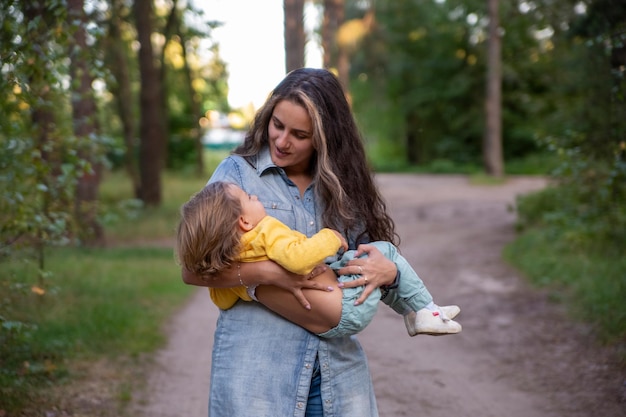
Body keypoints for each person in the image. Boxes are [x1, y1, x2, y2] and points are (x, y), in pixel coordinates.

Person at [181, 67, 452, 417]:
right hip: (258, 376)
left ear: (325, 137)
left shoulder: (343, 183)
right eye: (277, 125)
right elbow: (193, 270)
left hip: (336, 375)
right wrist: (268, 272)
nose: (281, 141)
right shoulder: (236, 176)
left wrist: (389, 273)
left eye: (299, 134)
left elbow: (359, 266)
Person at [175, 181, 462, 337]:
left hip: (331, 319)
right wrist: (329, 237)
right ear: (244, 222)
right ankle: (425, 309)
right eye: (250, 198)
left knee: (357, 261)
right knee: (383, 250)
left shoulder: (234, 259)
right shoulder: (264, 232)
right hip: (350, 308)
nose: (255, 196)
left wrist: (251, 279)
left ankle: (416, 314)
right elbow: (299, 260)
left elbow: (222, 300)